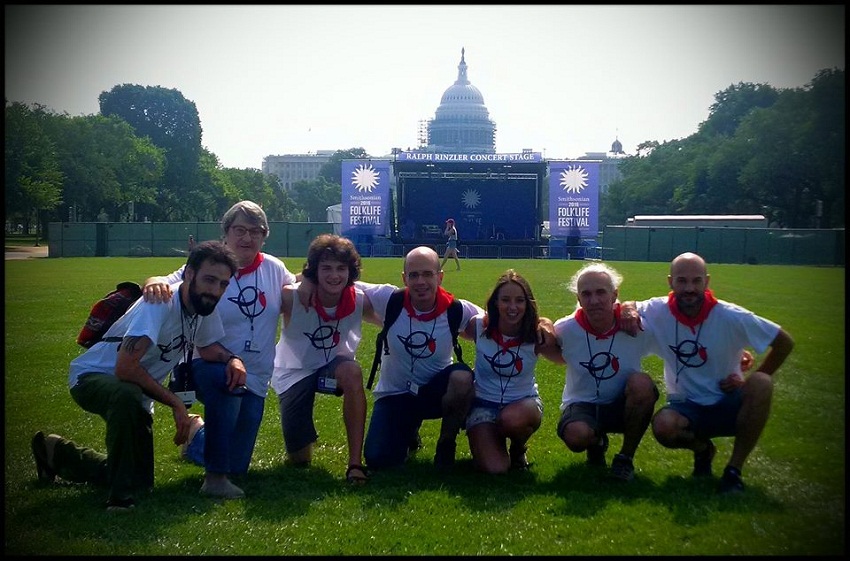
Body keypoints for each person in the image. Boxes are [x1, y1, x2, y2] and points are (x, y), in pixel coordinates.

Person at [31, 241, 240, 512]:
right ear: (189, 274)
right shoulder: (160, 304)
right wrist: (176, 404)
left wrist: (233, 359)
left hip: (135, 395)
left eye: (223, 284)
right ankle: (119, 500)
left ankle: (55, 452)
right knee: (125, 394)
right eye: (210, 280)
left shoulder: (203, 307)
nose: (215, 290)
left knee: (140, 479)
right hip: (92, 377)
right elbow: (125, 368)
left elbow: (208, 346)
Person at [140, 201, 300, 499]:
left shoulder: (274, 268)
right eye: (240, 229)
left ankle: (196, 433)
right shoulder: (212, 264)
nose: (247, 238)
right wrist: (152, 282)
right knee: (224, 390)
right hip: (207, 364)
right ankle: (214, 478)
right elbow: (167, 281)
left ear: (265, 236)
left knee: (238, 465)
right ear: (226, 232)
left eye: (256, 231)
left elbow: (296, 288)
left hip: (256, 375)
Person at [624, 252, 794, 493]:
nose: (689, 288)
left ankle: (733, 470)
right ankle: (703, 450)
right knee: (663, 427)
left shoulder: (731, 315)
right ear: (670, 281)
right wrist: (629, 311)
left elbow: (784, 342)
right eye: (682, 281)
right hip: (687, 406)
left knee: (762, 383)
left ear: (707, 281)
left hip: (729, 403)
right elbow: (629, 305)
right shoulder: (658, 309)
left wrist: (746, 384)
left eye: (696, 280)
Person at [271, 234, 381, 484]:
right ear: (314, 271)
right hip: (295, 371)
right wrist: (303, 281)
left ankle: (354, 463)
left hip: (334, 368)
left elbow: (393, 321)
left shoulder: (359, 300)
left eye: (341, 268)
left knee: (352, 370)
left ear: (351, 272)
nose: (334, 276)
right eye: (326, 268)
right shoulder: (292, 297)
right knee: (300, 460)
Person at [361, 246, 483, 470]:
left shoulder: (456, 309)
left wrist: (540, 325)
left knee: (462, 377)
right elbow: (345, 284)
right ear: (404, 278)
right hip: (395, 394)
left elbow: (496, 320)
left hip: (435, 394)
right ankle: (408, 431)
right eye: (414, 275)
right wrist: (307, 280)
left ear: (440, 277)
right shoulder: (390, 299)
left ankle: (447, 442)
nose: (420, 281)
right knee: (378, 459)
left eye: (428, 274)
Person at [538, 262, 660, 482]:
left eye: (601, 292)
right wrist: (544, 323)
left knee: (642, 384)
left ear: (615, 295)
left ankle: (625, 458)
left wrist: (735, 358)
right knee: (576, 436)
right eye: (586, 294)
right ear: (578, 298)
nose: (594, 301)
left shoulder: (635, 326)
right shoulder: (566, 329)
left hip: (622, 405)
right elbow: (552, 350)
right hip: (582, 404)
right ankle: (597, 443)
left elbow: (674, 345)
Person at [463, 269, 556, 474]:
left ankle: (518, 448)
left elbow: (564, 356)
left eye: (519, 300)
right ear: (495, 302)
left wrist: (546, 322)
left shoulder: (536, 334)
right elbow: (449, 328)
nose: (512, 307)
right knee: (496, 469)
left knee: (512, 420)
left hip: (522, 403)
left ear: (527, 303)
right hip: (483, 405)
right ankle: (487, 440)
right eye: (505, 300)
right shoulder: (478, 326)